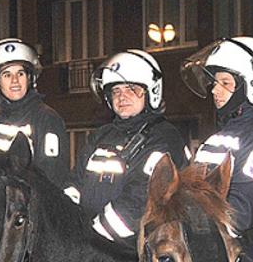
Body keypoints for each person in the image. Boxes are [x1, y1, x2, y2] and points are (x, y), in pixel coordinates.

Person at [181, 36, 253, 248]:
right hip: (212, 244)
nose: (214, 90)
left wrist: (185, 225)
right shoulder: (223, 136)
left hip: (251, 258)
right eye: (214, 83)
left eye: (225, 83)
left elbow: (238, 213)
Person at [67, 49, 187, 246]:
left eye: (132, 89)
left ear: (151, 92)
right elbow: (75, 181)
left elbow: (139, 199)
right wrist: (68, 219)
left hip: (135, 249)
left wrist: (92, 236)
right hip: (90, 241)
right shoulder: (101, 135)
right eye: (116, 91)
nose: (122, 97)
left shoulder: (164, 137)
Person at [0, 38, 69, 188]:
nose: (15, 81)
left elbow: (53, 177)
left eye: (20, 73)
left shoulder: (46, 119)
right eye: (7, 75)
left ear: (30, 78)